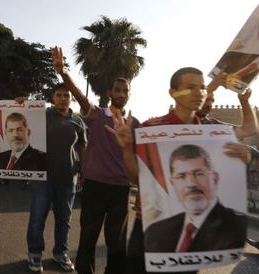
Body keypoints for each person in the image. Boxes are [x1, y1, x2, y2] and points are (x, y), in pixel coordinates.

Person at [107, 67, 249, 274]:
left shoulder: (215, 133)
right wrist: (126, 149)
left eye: (202, 88)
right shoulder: (151, 129)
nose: (199, 93)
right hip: (147, 222)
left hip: (194, 240)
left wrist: (241, 159)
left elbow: (231, 169)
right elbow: (137, 177)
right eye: (190, 87)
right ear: (173, 93)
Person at [52, 46, 140, 274]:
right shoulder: (96, 115)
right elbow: (80, 95)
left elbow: (143, 158)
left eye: (125, 90)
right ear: (110, 92)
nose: (121, 93)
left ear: (129, 94)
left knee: (117, 243)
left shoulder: (135, 124)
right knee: (88, 238)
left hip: (121, 189)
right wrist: (63, 72)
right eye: (117, 90)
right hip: (94, 186)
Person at [25, 83, 87, 272]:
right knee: (38, 217)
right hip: (43, 177)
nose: (62, 98)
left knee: (64, 220)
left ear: (71, 98)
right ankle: (35, 254)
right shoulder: (43, 115)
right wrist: (20, 104)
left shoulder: (78, 122)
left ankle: (61, 253)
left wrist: (84, 171)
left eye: (66, 95)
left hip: (68, 179)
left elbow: (82, 148)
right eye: (59, 95)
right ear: (53, 97)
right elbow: (23, 117)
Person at [144, 144, 246, 252]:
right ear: (172, 183)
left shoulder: (238, 225)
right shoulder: (156, 231)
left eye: (199, 173)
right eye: (181, 176)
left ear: (215, 179)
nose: (191, 183)